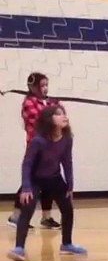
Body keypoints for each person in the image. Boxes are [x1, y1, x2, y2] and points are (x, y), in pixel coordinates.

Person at [7, 105, 84, 261]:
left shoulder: (67, 139)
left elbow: (67, 161)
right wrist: (26, 187)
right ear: (50, 120)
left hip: (54, 178)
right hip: (35, 179)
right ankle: (19, 248)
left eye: (64, 113)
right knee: (27, 209)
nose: (64, 117)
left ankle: (66, 244)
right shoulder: (38, 141)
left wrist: (70, 184)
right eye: (59, 114)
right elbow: (27, 164)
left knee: (67, 209)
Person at [9, 72, 60, 230]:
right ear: (33, 87)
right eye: (42, 85)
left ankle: (46, 217)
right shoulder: (29, 103)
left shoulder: (50, 102)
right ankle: (15, 216)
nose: (45, 88)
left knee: (50, 181)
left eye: (46, 85)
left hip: (51, 147)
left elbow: (59, 117)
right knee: (30, 181)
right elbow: (41, 120)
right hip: (36, 147)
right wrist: (52, 112)